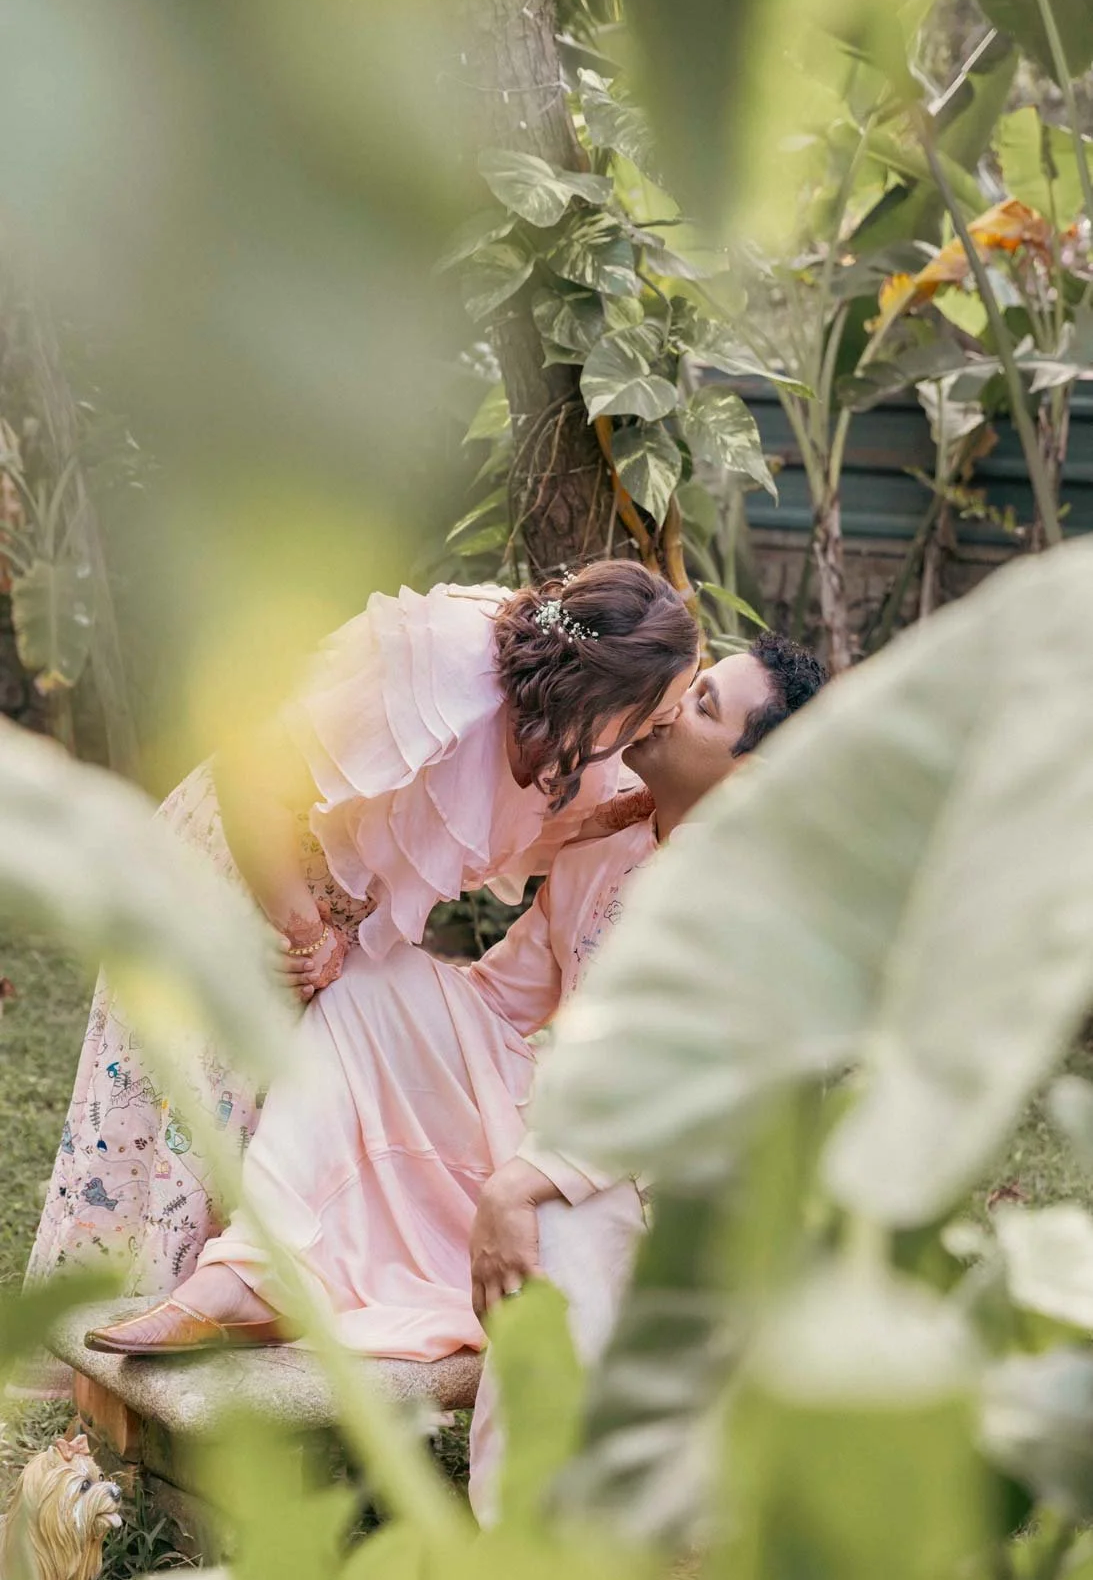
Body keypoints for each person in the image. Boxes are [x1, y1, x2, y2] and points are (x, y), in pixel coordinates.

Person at [85, 632, 827, 1518]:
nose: (670, 707)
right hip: (558, 1128)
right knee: (376, 980)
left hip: (664, 1188)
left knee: (553, 1248)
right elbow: (505, 999)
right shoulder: (606, 846)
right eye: (689, 687)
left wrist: (526, 1181)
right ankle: (258, 1270)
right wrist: (388, 1032)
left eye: (702, 706)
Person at [28, 562, 699, 1297]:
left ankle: (224, 1336)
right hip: (244, 866)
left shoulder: (580, 751)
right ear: (608, 691)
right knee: (186, 1102)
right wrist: (301, 928)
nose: (659, 729)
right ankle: (115, 1349)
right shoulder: (438, 666)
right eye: (654, 716)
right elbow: (252, 773)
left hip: (340, 927)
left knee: (269, 1121)